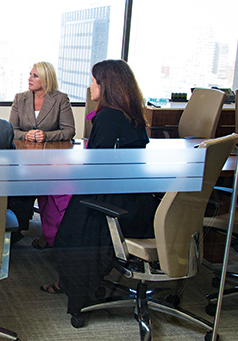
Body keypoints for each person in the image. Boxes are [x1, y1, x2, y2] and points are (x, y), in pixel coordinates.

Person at [41, 60, 157, 319]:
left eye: (93, 81)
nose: (90, 86)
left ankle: (75, 293)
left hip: (112, 206)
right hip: (136, 204)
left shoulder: (107, 117)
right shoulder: (134, 116)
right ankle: (75, 284)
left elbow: (96, 170)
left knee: (68, 234)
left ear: (106, 86)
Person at [8, 61, 76, 247]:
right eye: (30, 74)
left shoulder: (60, 99)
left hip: (52, 160)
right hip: (24, 158)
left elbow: (69, 131)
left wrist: (46, 136)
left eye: (35, 76)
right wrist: (26, 134)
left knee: (53, 191)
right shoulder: (20, 98)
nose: (29, 79)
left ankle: (52, 231)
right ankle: (18, 227)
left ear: (46, 79)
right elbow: (11, 130)